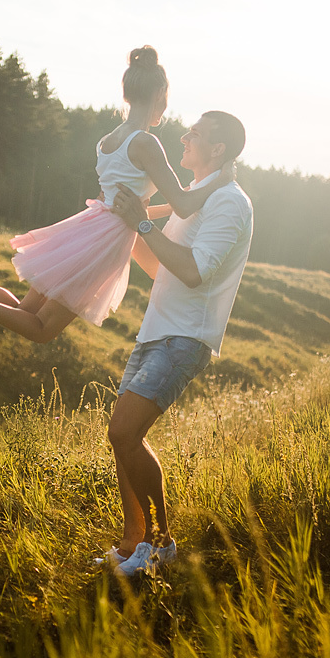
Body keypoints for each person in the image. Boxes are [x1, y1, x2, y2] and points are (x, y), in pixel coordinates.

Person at [0, 46, 231, 342]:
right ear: (160, 95)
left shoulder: (109, 140)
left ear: (128, 93)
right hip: (102, 244)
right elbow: (184, 206)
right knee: (40, 328)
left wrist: (158, 211)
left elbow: (126, 207)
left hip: (89, 228)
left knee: (24, 310)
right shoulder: (146, 142)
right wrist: (220, 178)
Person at [100, 110, 253, 577]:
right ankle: (134, 544)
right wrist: (124, 225)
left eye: (196, 133)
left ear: (219, 148)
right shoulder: (195, 203)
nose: (184, 137)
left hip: (184, 338)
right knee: (124, 439)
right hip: (156, 331)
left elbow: (191, 270)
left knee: (125, 434)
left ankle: (161, 546)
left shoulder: (230, 203)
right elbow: (159, 266)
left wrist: (142, 225)